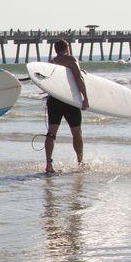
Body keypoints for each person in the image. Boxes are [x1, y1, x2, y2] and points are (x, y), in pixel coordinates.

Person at [44, 40, 89, 173]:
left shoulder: (50, 63)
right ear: (67, 48)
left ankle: (48, 164)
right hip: (69, 101)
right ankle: (80, 162)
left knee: (51, 132)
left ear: (55, 49)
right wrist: (85, 98)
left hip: (54, 100)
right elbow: (78, 79)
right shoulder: (71, 60)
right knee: (76, 132)